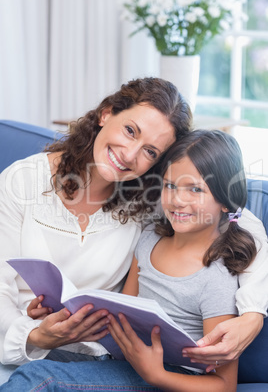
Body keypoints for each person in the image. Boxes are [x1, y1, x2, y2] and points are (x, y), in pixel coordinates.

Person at [0, 129, 260, 391]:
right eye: (170, 185)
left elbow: (224, 385)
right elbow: (122, 313)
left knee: (41, 379)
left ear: (227, 201)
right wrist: (60, 311)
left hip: (169, 377)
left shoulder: (216, 278)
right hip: (121, 359)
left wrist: (156, 375)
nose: (178, 200)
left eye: (195, 189)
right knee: (29, 356)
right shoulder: (150, 238)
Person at [0, 77, 192, 384]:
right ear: (106, 113)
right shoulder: (23, 181)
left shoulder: (148, 201)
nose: (130, 155)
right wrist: (36, 335)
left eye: (150, 152)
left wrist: (250, 315)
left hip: (88, 362)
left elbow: (231, 213)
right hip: (15, 345)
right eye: (130, 131)